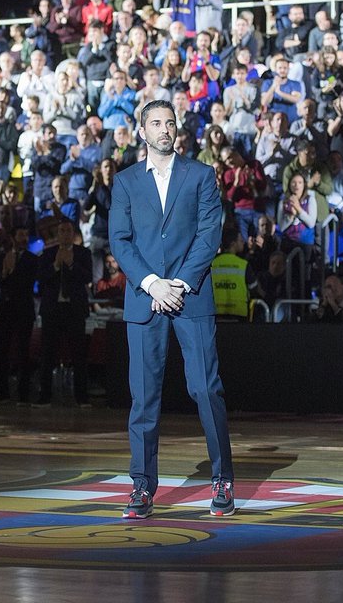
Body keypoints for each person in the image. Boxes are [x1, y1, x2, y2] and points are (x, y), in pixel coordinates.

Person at [108, 99, 234, 519]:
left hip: (190, 296)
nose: (165, 129)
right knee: (144, 399)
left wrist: (178, 284)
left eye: (170, 122)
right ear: (142, 132)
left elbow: (208, 235)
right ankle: (142, 487)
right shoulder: (125, 181)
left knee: (205, 389)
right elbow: (120, 241)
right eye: (156, 123)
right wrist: (152, 284)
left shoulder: (200, 175)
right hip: (145, 300)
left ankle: (222, 479)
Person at [37, 219, 93, 406]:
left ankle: (81, 397)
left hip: (74, 310)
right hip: (53, 310)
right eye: (62, 231)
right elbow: (41, 280)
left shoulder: (83, 253)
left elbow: (88, 277)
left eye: (69, 230)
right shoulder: (48, 254)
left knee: (79, 355)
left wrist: (70, 265)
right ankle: (44, 396)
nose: (65, 234)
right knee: (47, 355)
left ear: (74, 233)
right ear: (57, 233)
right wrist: (55, 266)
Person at [0, 228, 39, 403]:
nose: (24, 238)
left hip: (24, 309)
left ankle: (23, 394)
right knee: (0, 351)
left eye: (26, 235)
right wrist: (5, 272)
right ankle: (2, 391)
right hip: (4, 309)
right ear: (13, 237)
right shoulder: (1, 258)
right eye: (20, 235)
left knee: (23, 353)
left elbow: (29, 282)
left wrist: (14, 272)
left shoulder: (33, 259)